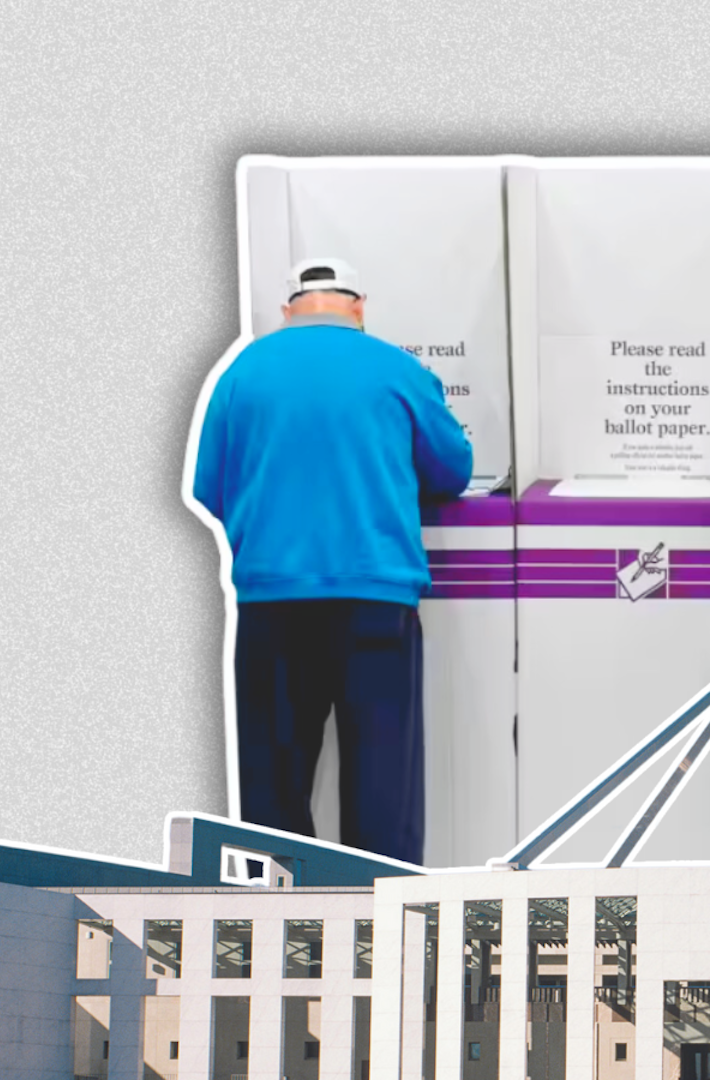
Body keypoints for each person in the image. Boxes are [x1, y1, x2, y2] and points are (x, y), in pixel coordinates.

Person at [188, 257, 473, 864]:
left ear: (287, 310)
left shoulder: (243, 372)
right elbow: (453, 471)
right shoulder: (399, 370)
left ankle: (278, 912)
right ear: (359, 307)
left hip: (271, 603)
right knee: (384, 789)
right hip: (377, 601)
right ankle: (383, 910)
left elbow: (208, 486)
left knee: (272, 791)